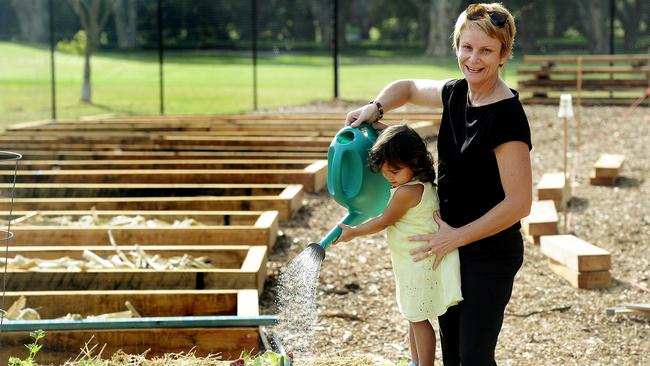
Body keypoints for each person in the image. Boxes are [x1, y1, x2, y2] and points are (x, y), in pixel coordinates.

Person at [344, 3, 532, 365]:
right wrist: (375, 108)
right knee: (453, 354)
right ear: (456, 46)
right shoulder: (457, 93)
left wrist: (455, 237)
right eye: (466, 47)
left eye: (486, 50)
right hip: (448, 247)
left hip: (488, 253)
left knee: (473, 357)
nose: (473, 59)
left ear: (504, 54)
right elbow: (409, 87)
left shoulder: (507, 117)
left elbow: (519, 203)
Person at [333, 124, 463, 366]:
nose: (389, 177)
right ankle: (415, 362)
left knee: (418, 318)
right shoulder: (416, 184)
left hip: (418, 262)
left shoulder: (407, 192)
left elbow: (383, 221)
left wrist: (353, 232)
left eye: (394, 171)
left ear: (414, 163)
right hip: (412, 260)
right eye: (384, 171)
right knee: (412, 316)